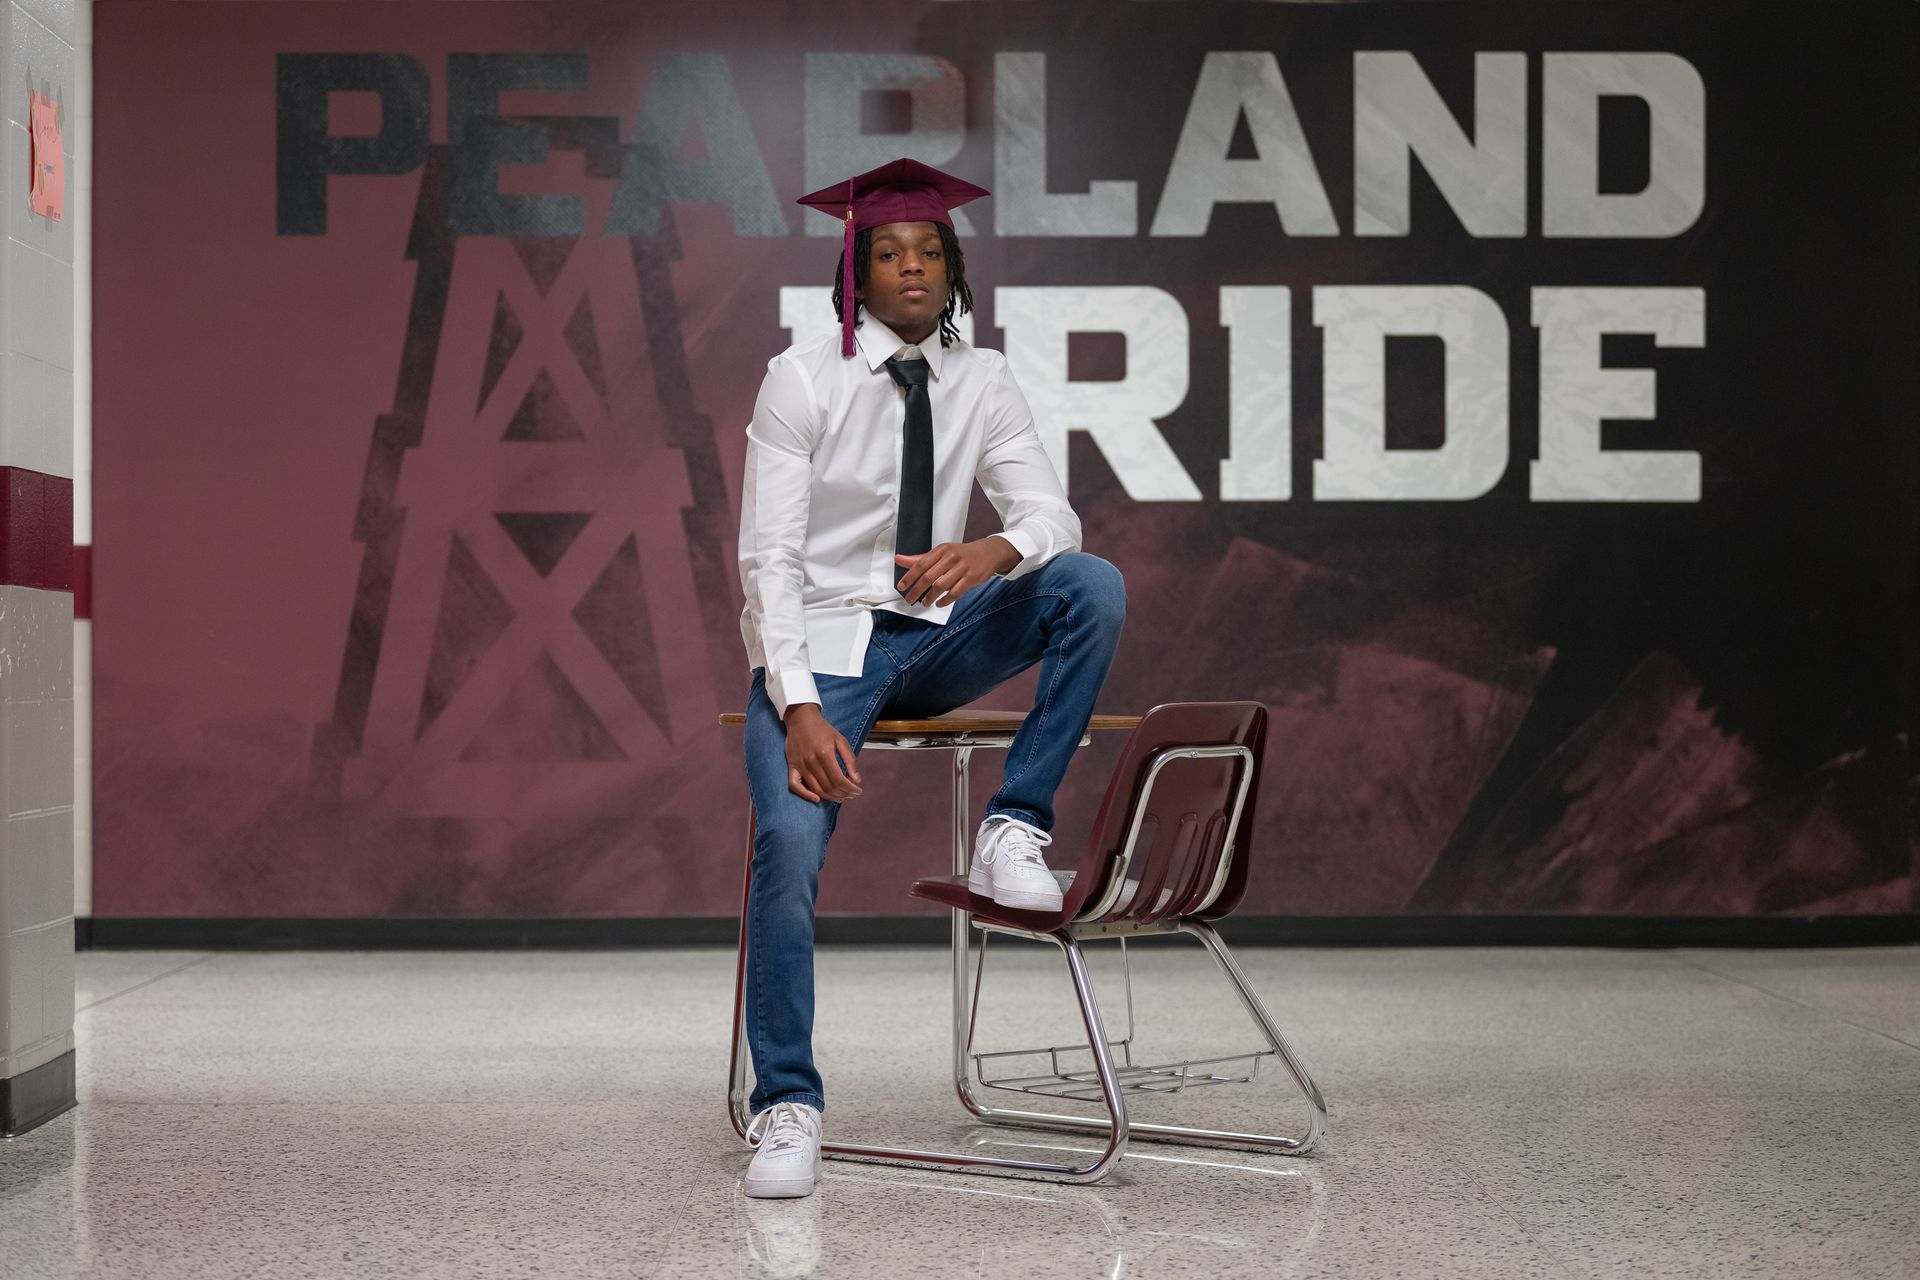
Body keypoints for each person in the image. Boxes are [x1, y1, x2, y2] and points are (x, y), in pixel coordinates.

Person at [734, 157, 1127, 1198]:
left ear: (953, 271)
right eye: (890, 253)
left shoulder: (982, 378)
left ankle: (1016, 824)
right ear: (856, 274)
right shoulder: (801, 379)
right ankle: (787, 1103)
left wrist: (994, 553)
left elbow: (1053, 514)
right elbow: (767, 561)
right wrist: (799, 702)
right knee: (785, 841)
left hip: (936, 632)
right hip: (824, 650)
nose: (913, 266)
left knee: (1086, 584)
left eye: (930, 252)